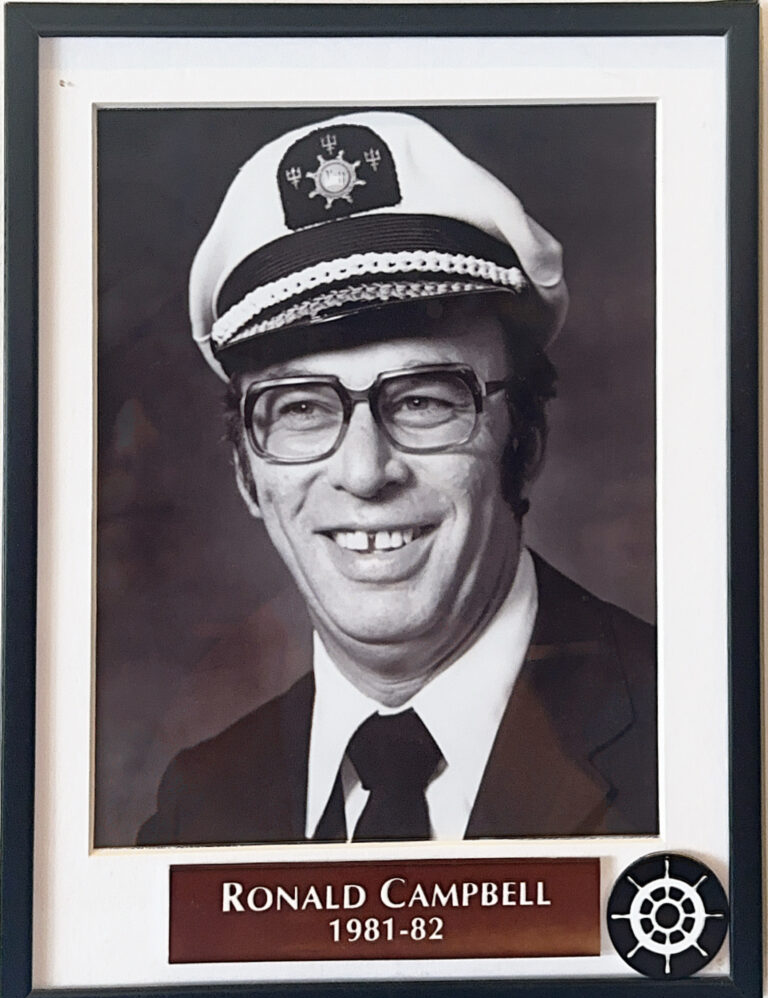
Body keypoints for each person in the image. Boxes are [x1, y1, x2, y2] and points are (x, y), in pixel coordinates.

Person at [138, 111, 657, 846]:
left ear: (526, 442)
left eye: (423, 401)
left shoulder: (700, 734)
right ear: (249, 476)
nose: (364, 472)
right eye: (302, 408)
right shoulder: (199, 806)